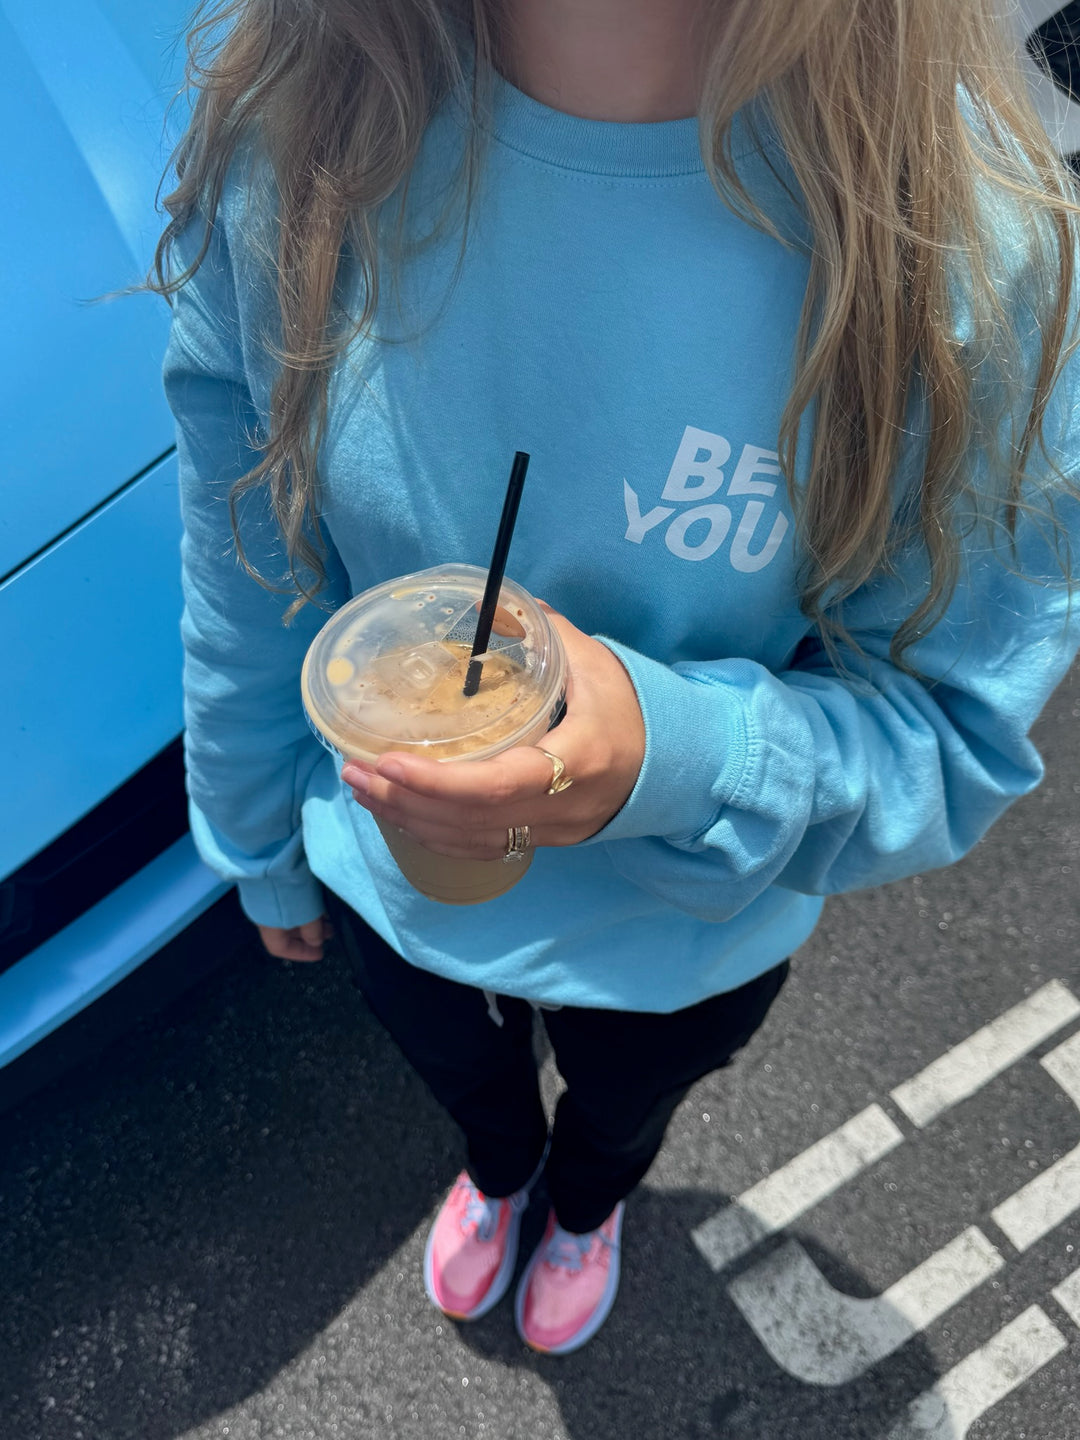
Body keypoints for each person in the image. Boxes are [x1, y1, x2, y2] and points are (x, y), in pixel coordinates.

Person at [156, 0, 1080, 1356]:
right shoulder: (299, 115)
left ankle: (587, 1203)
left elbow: (950, 734)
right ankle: (497, 1170)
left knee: (624, 1109)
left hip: (683, 938)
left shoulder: (966, 256)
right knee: (467, 1080)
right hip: (386, 872)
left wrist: (674, 753)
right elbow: (247, 559)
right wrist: (249, 832)